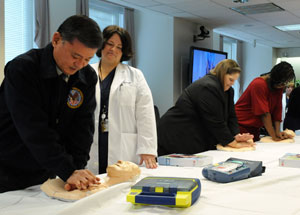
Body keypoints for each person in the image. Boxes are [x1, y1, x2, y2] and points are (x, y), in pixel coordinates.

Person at [0, 15, 103, 193]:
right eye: (75, 56)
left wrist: (75, 170)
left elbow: (82, 129)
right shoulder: (23, 69)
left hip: (44, 171)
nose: (80, 64)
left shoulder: (86, 77)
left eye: (87, 59)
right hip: (7, 167)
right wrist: (67, 169)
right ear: (56, 40)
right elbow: (33, 128)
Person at [87, 25, 157, 174]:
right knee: (92, 185)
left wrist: (147, 149)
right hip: (91, 139)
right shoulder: (86, 73)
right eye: (110, 44)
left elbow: (145, 113)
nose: (113, 49)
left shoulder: (135, 75)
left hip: (122, 144)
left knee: (119, 186)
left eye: (119, 47)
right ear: (101, 44)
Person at [158, 59, 255, 156]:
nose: (232, 83)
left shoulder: (228, 91)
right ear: (222, 74)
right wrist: (232, 142)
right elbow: (215, 120)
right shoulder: (207, 87)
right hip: (176, 132)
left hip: (192, 133)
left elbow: (231, 116)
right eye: (230, 79)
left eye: (234, 80)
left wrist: (236, 135)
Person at [235, 61, 295, 142]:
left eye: (285, 83)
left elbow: (277, 110)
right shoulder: (259, 84)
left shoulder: (279, 88)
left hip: (255, 127)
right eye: (282, 83)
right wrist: (273, 136)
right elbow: (264, 113)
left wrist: (277, 133)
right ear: (275, 78)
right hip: (240, 125)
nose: (283, 86)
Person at [41, 160, 141, 200]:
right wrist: (70, 172)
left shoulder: (101, 189)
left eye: (127, 164)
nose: (119, 161)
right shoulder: (94, 182)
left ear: (130, 177)